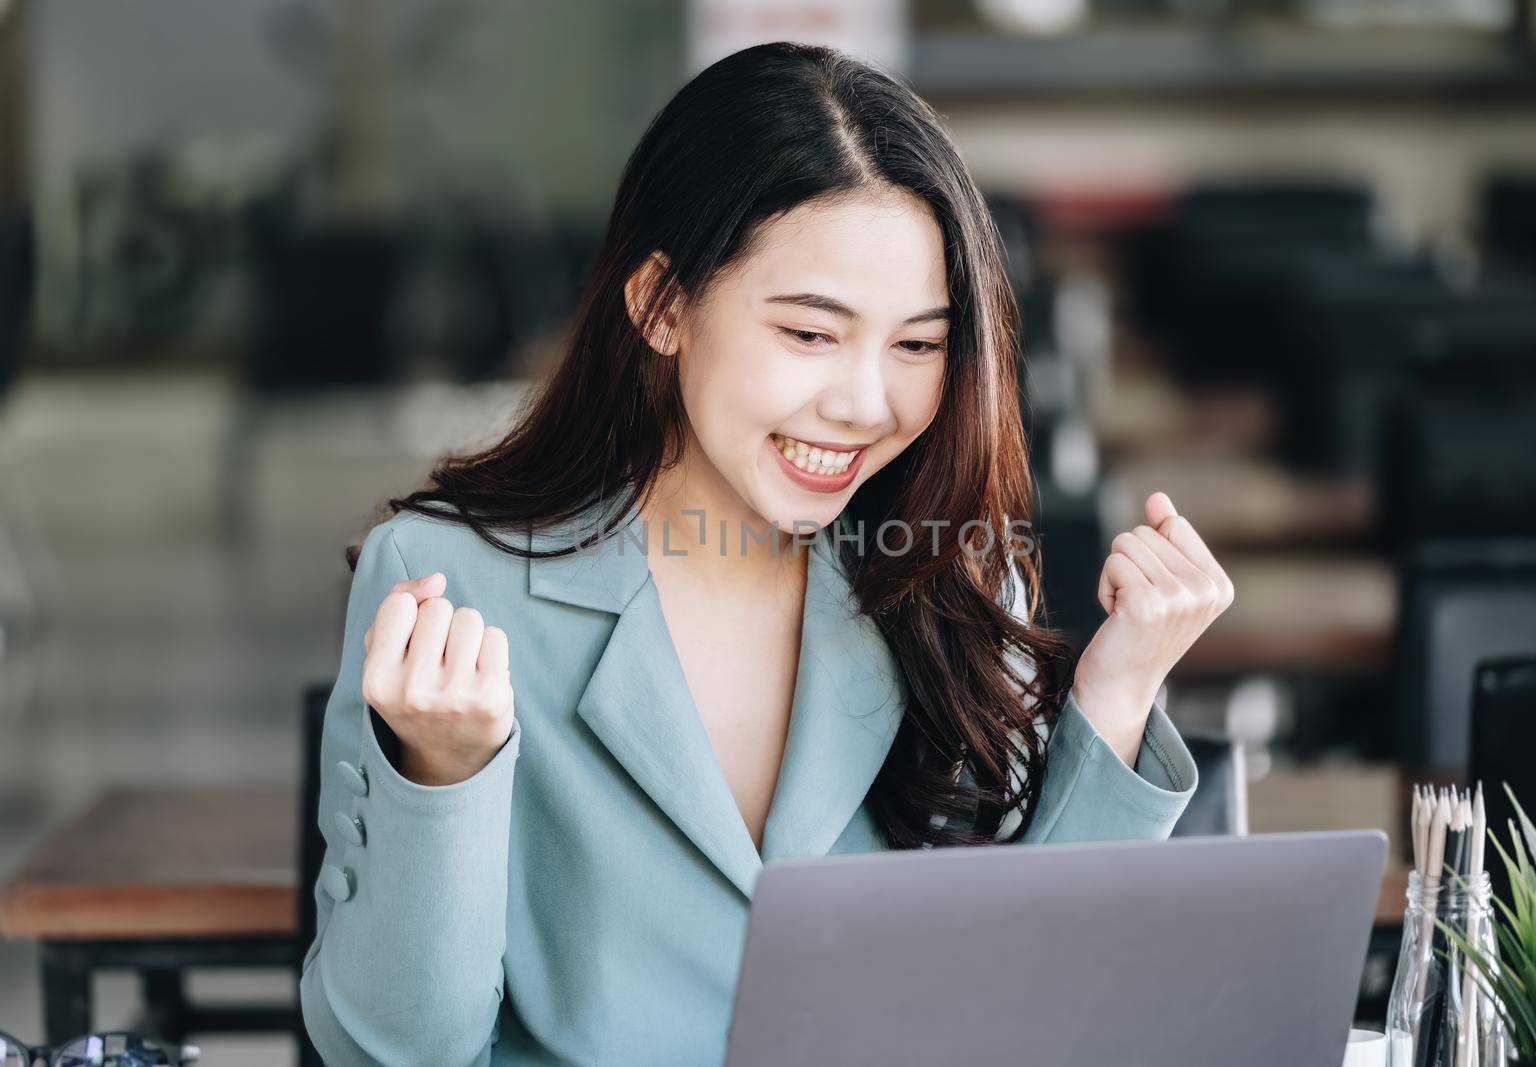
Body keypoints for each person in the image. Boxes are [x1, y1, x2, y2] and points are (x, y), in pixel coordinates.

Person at [300, 40, 1233, 1067]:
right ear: (661, 305)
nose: (867, 403)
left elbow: (1036, 1012)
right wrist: (443, 774)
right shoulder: (451, 585)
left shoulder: (948, 575)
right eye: (810, 334)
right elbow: (393, 1051)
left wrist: (1118, 688)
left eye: (918, 344)